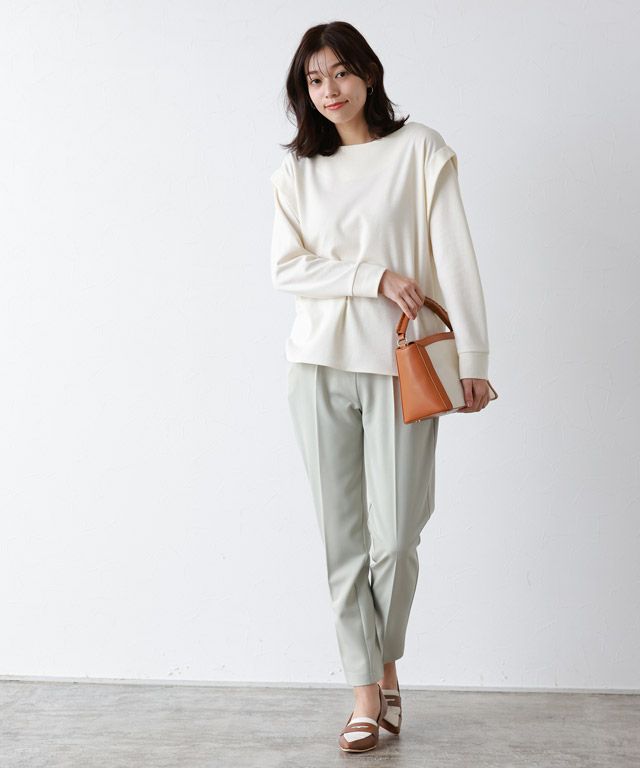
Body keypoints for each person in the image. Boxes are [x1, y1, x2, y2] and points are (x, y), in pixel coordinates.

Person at [269, 20, 494, 753]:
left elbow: (454, 256)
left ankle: (383, 665)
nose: (329, 90)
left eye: (340, 73)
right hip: (318, 366)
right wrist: (373, 277)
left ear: (368, 74)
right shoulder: (296, 173)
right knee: (342, 542)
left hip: (405, 369)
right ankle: (368, 693)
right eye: (314, 80)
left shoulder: (419, 150)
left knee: (395, 538)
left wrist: (473, 358)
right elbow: (287, 267)